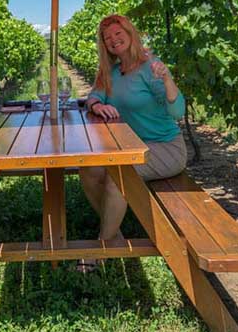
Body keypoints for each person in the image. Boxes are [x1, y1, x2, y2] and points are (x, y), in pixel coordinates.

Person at [78, 14, 187, 272]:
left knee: (119, 177)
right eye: (107, 38)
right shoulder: (112, 72)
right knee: (89, 170)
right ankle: (113, 233)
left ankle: (101, 248)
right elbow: (93, 95)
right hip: (130, 148)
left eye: (118, 34)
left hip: (165, 148)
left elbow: (177, 111)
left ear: (130, 34)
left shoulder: (151, 67)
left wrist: (168, 80)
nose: (113, 40)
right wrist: (98, 104)